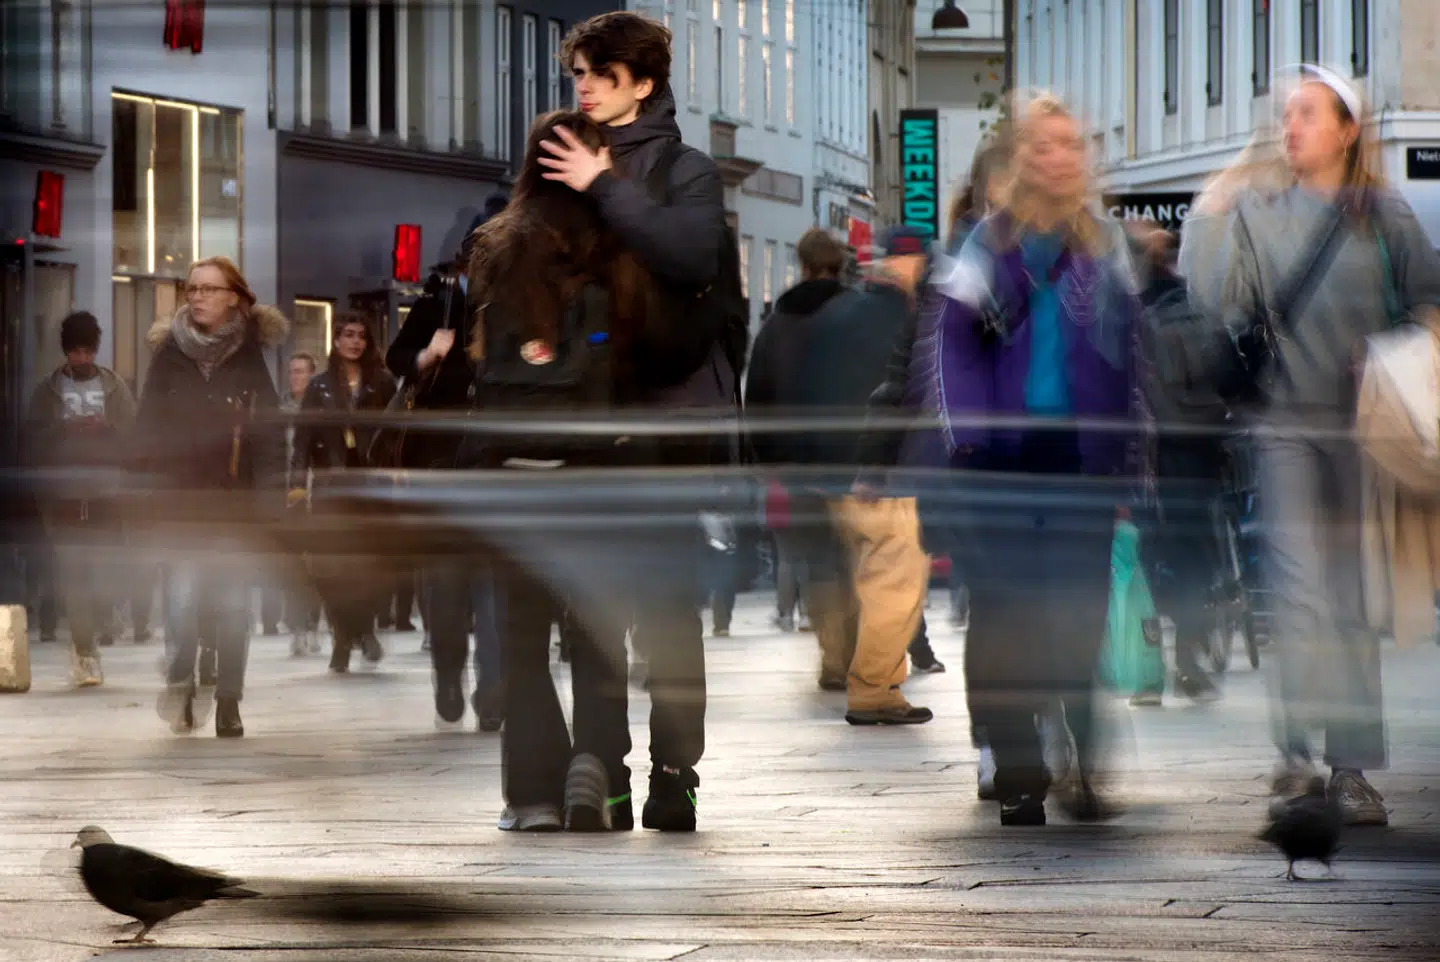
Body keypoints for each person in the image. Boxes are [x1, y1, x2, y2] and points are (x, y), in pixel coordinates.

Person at [1179, 65, 1440, 827]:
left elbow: (1432, 298)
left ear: (1347, 131)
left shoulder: (1384, 214)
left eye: (1306, 114)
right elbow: (1216, 298)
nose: (1289, 126)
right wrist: (1216, 203)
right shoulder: (1259, 211)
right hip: (1284, 425)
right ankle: (1295, 754)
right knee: (1298, 597)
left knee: (1355, 598)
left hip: (1368, 432)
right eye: (1285, 114)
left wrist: (1400, 344)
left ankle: (1351, 769)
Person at [921, 93, 1143, 825]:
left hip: (1082, 459)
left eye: (1072, 143)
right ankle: (1018, 765)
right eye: (1045, 144)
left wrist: (1130, 451)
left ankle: (1083, 751)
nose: (1060, 156)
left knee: (1080, 615)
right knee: (1007, 616)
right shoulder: (985, 243)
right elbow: (952, 346)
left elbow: (1129, 354)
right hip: (1000, 461)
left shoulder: (1105, 245)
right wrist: (970, 442)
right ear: (1020, 158)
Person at [549, 11, 735, 831]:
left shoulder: (686, 171)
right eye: (577, 73)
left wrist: (602, 186)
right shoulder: (557, 163)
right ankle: (600, 771)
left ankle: (673, 772)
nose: (582, 86)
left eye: (598, 73)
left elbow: (691, 256)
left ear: (643, 83)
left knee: (664, 607)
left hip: (666, 420)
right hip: (581, 418)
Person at [464, 110, 662, 832]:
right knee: (598, 631)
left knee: (522, 636)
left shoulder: (496, 246)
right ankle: (594, 768)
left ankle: (532, 793)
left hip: (515, 468)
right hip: (598, 467)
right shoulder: (618, 249)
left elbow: (475, 362)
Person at [135, 256, 287, 738]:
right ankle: (181, 682)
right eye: (192, 288)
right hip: (180, 504)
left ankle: (228, 700)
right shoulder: (168, 355)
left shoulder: (249, 358)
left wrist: (269, 500)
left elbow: (267, 436)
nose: (197, 296)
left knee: (232, 604)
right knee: (181, 603)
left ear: (233, 298)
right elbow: (146, 431)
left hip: (234, 505)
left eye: (207, 289)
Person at [386, 193, 508, 730]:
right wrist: (427, 356)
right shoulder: (439, 303)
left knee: (494, 587)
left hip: (499, 467)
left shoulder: (521, 305)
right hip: (440, 464)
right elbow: (397, 357)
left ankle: (493, 687)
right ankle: (448, 673)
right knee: (447, 584)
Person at [746, 227, 860, 691]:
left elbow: (758, 397)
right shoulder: (858, 315)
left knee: (815, 561)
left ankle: (833, 655)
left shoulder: (778, 323)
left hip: (798, 464)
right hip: (852, 459)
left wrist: (767, 457)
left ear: (802, 264)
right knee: (854, 557)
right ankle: (859, 652)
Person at [24, 311, 137, 688]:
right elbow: (31, 439)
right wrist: (63, 429)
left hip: (106, 493)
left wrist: (107, 429)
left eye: (88, 351)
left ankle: (102, 622)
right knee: (74, 575)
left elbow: (135, 434)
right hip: (64, 496)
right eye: (76, 352)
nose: (82, 359)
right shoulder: (48, 389)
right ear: (66, 352)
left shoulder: (115, 387)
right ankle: (85, 651)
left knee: (105, 570)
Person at [292, 314, 398, 673]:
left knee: (369, 564)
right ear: (336, 340)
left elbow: (397, 433)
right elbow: (303, 438)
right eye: (348, 335)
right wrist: (295, 485)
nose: (355, 342)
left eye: (362, 336)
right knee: (330, 568)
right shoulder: (319, 386)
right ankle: (342, 633)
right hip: (330, 486)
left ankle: (364, 629)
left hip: (370, 485)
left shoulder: (382, 383)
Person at [268, 352, 322, 655]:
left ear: (313, 375)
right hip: (289, 496)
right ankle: (297, 625)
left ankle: (311, 624)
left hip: (317, 493)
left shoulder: (320, 410)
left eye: (301, 371)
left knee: (313, 565)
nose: (295, 377)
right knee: (292, 565)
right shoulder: (280, 411)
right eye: (292, 372)